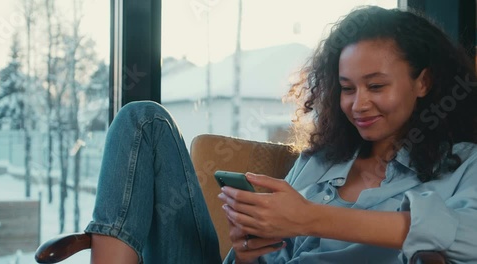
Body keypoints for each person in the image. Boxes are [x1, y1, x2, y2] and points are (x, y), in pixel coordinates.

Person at [85, 6, 477, 264]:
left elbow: (466, 237)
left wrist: (309, 219)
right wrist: (247, 250)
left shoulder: (462, 165)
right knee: (143, 121)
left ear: (423, 81)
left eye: (376, 87)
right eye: (347, 88)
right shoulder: (320, 162)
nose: (359, 104)